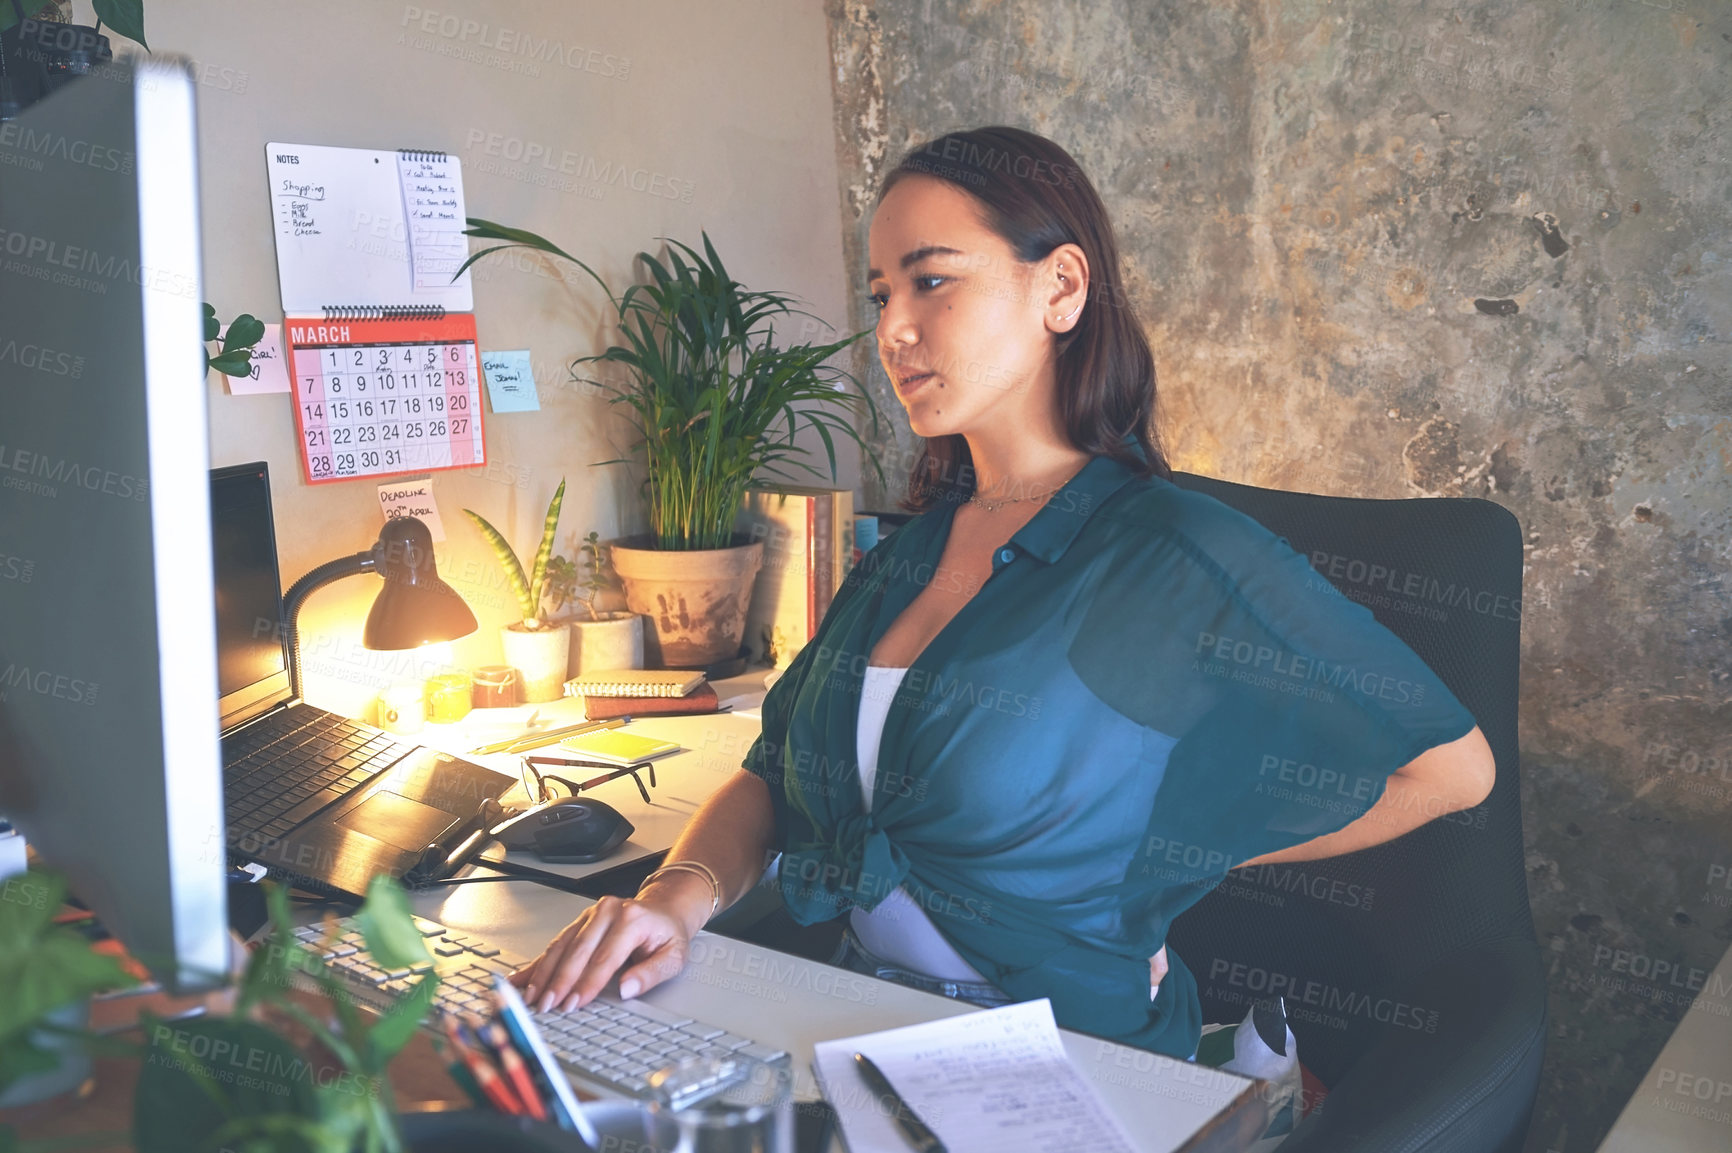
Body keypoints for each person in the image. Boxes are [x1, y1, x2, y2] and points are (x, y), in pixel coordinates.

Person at [511, 126, 1496, 1065]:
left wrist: (1166, 852)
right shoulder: (898, 556)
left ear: (1060, 287)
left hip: (1073, 1063)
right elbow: (771, 772)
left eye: (932, 280)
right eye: (882, 294)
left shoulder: (1171, 554)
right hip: (857, 1031)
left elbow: (1451, 770)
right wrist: (674, 896)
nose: (893, 329)